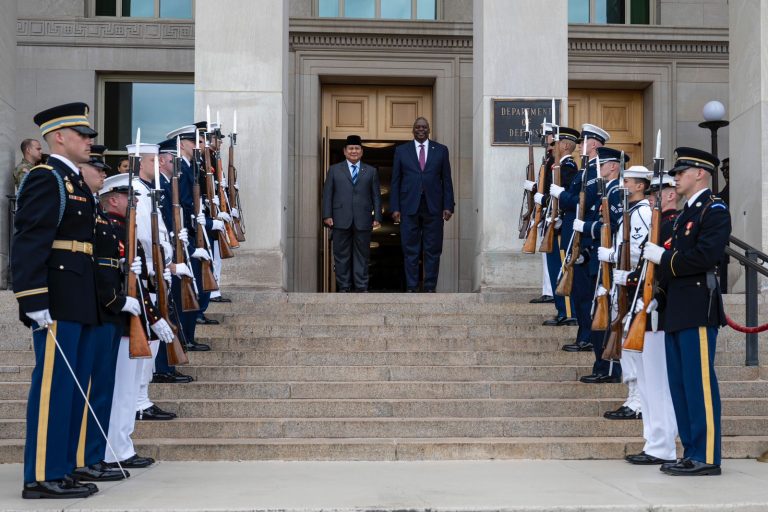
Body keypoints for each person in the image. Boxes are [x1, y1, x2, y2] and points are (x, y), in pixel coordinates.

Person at [13, 102, 100, 499]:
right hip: (56, 296)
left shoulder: (77, 182)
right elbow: (30, 240)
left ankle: (62, 467)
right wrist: (32, 298)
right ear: (59, 137)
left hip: (78, 295)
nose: (88, 140)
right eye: (82, 134)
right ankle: (41, 475)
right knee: (53, 385)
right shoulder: (45, 178)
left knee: (72, 385)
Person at [642, 147, 730, 476]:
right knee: (679, 386)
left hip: (697, 306)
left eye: (682, 172)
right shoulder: (682, 216)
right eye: (676, 172)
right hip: (675, 309)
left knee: (699, 384)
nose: (676, 177)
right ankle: (691, 451)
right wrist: (657, 295)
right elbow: (671, 268)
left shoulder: (714, 210)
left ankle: (707, 455)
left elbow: (706, 257)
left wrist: (663, 259)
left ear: (701, 174)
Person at [100, 172, 162, 470]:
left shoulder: (128, 230)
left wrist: (154, 318)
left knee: (127, 389)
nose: (135, 200)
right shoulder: (109, 229)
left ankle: (122, 447)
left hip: (134, 319)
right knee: (121, 391)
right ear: (113, 199)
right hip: (120, 319)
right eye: (129, 197)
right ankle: (114, 451)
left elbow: (142, 284)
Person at [621, 171, 680, 464]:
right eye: (651, 194)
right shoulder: (660, 226)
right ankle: (653, 442)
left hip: (657, 312)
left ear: (670, 194)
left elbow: (669, 269)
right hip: (642, 308)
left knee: (657, 384)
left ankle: (662, 446)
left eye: (657, 194)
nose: (651, 199)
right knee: (647, 384)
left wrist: (657, 297)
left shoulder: (674, 225)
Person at [572, 147, 628, 382]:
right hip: (599, 261)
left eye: (602, 165)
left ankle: (608, 367)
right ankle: (602, 365)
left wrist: (585, 228)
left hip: (609, 263)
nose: (598, 168)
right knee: (598, 316)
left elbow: (614, 227)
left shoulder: (616, 193)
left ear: (613, 166)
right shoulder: (606, 192)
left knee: (604, 317)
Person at [551, 124, 607, 353]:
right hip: (576, 235)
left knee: (585, 294)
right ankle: (583, 335)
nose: (580, 146)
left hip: (587, 239)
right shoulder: (585, 172)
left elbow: (581, 201)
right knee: (579, 291)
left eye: (584, 142)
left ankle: (587, 337)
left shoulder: (596, 172)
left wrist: (560, 194)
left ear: (593, 145)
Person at [391, 117, 455, 292]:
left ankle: (429, 287)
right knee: (410, 249)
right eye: (418, 127)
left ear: (429, 130)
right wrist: (395, 207)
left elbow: (447, 180)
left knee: (433, 249)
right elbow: (396, 181)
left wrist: (448, 205)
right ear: (413, 130)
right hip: (408, 206)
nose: (421, 129)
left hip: (433, 206)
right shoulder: (401, 151)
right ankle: (412, 287)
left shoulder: (441, 150)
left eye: (424, 127)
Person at [322, 135, 382, 292]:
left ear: (361, 151)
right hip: (340, 219)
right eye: (351, 148)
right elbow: (328, 194)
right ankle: (344, 287)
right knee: (342, 256)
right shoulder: (334, 170)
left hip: (363, 220)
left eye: (357, 148)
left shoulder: (371, 171)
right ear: (345, 151)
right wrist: (327, 215)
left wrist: (377, 217)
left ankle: (361, 287)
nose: (354, 151)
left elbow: (376, 195)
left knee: (362, 255)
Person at [535, 125, 579, 326]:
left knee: (562, 269)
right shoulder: (558, 165)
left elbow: (566, 198)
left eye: (556, 143)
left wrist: (545, 202)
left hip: (562, 227)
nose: (552, 147)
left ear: (565, 145)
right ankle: (562, 309)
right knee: (555, 269)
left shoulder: (568, 167)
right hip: (555, 224)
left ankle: (568, 311)